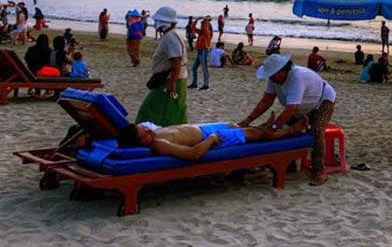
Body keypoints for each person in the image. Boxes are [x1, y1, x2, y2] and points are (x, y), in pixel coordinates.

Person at [238, 53, 337, 185]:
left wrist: (274, 127)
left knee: (317, 131)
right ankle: (289, 166)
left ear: (283, 70)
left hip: (322, 101)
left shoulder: (297, 77)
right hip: (301, 106)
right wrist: (248, 120)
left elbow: (292, 108)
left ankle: (319, 171)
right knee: (278, 130)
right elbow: (266, 101)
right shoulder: (274, 79)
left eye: (274, 75)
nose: (272, 78)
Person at [116, 117, 304, 161]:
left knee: (237, 126)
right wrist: (211, 139)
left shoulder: (151, 134)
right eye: (144, 135)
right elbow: (193, 153)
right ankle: (289, 132)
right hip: (210, 136)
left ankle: (266, 128)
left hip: (204, 128)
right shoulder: (160, 145)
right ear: (140, 143)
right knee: (254, 135)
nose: (148, 132)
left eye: (145, 129)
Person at [136, 6, 188, 127]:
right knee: (170, 110)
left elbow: (176, 60)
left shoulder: (171, 37)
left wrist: (172, 83)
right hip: (170, 78)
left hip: (169, 79)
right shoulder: (172, 35)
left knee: (154, 109)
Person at [189, 16, 213, 90]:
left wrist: (206, 19)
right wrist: (197, 19)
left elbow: (206, 27)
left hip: (204, 51)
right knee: (194, 68)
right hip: (200, 51)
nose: (201, 26)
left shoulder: (207, 32)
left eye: (202, 25)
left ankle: (206, 85)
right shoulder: (201, 32)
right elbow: (192, 27)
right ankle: (194, 83)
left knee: (204, 68)